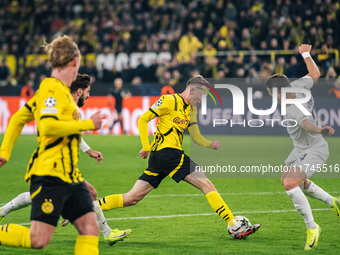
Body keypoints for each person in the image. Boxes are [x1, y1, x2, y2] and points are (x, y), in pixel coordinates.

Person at [98, 75, 260, 239]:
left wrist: (209, 144)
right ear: (193, 89)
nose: (203, 99)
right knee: (207, 185)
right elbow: (142, 119)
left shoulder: (192, 109)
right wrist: (146, 147)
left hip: (161, 158)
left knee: (132, 198)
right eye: (202, 94)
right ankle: (234, 225)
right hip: (168, 154)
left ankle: (88, 207)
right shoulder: (168, 100)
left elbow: (195, 136)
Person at [0, 74, 131, 246]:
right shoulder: (68, 108)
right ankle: (108, 233)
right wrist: (88, 125)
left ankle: (3, 210)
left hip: (60, 165)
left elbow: (70, 131)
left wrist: (89, 150)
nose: (89, 95)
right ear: (79, 91)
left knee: (38, 197)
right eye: (88, 91)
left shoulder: (62, 103)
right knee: (40, 235)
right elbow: (57, 129)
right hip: (53, 164)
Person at [0, 35, 103, 254]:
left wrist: (5, 153)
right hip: (50, 174)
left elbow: (18, 119)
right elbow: (47, 127)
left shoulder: (59, 93)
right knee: (38, 239)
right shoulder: (51, 89)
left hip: (70, 175)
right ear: (74, 62)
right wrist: (87, 123)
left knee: (90, 228)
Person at [265, 44, 340, 250]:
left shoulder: (292, 108)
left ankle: (312, 227)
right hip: (302, 147)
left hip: (314, 148)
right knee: (288, 180)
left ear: (276, 92)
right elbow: (315, 72)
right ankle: (333, 202)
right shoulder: (298, 85)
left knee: (290, 183)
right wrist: (305, 53)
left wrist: (319, 130)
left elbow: (306, 123)